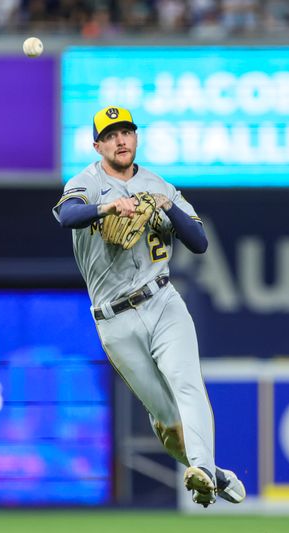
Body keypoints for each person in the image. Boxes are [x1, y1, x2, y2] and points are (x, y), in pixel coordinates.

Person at [52, 105, 246, 508]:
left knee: (187, 383)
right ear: (97, 145)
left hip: (161, 301)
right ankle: (213, 474)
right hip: (113, 319)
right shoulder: (86, 183)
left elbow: (199, 242)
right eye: (110, 135)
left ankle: (204, 470)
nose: (120, 140)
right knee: (169, 425)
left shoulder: (159, 184)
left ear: (136, 138)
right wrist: (107, 207)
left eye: (126, 132)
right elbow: (67, 216)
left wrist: (167, 207)